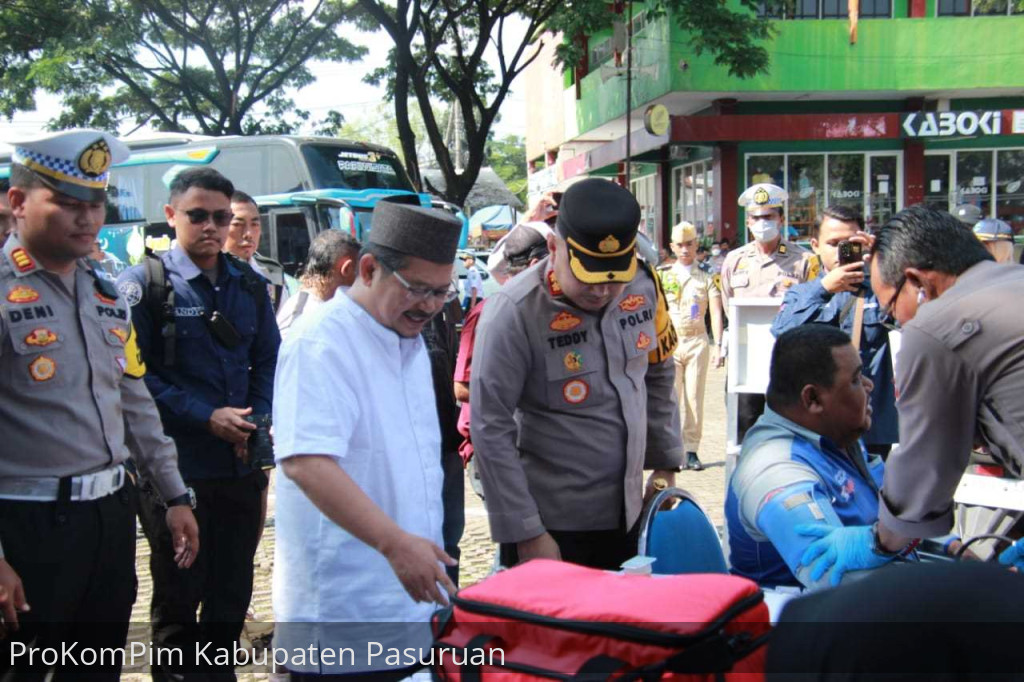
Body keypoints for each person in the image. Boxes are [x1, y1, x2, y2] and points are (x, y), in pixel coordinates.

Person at [0, 129, 198, 680]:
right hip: (26, 524)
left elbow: (134, 402)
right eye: (67, 202)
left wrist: (174, 494)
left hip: (109, 518)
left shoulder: (106, 291)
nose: (87, 218)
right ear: (18, 202)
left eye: (95, 203)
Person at [272, 200, 462, 679]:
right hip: (343, 609)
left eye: (441, 292)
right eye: (417, 289)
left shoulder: (409, 338)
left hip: (411, 604)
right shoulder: (321, 340)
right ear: (369, 269)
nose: (429, 305)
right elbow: (306, 462)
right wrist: (394, 543)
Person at [796, 205, 1024, 583]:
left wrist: (879, 542)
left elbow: (925, 465)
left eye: (890, 309)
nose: (897, 322)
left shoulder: (937, 325)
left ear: (918, 283)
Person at [117, 168, 280, 680]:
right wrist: (205, 416)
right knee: (179, 598)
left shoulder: (249, 284)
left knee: (231, 595)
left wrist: (254, 421)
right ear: (171, 215)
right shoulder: (143, 286)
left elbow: (268, 360)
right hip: (175, 472)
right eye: (197, 215)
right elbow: (132, 380)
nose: (211, 226)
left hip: (238, 466)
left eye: (220, 217)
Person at [470, 177, 683, 570]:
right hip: (553, 525)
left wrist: (666, 465)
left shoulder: (643, 287)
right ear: (554, 247)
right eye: (587, 275)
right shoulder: (514, 311)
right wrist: (527, 532)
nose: (602, 291)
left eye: (614, 277)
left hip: (631, 513)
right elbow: (490, 426)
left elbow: (657, 373)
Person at [726, 324, 885, 589]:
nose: (869, 385)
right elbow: (834, 580)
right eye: (856, 379)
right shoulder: (775, 468)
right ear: (813, 399)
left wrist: (942, 546)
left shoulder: (838, 438)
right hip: (809, 612)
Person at [771, 205, 897, 459]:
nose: (842, 251)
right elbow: (782, 331)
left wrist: (884, 265)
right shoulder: (802, 294)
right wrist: (824, 289)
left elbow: (915, 322)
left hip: (870, 423)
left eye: (850, 243)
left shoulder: (881, 290)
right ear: (815, 246)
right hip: (817, 423)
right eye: (833, 243)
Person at [454, 222, 551, 466]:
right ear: (535, 265)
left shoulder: (547, 313)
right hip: (495, 451)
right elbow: (462, 388)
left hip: (536, 450)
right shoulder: (487, 314)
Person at [720, 183, 809, 441]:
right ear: (748, 222)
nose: (763, 223)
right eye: (756, 217)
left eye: (769, 216)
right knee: (744, 428)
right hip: (744, 361)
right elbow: (728, 303)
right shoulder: (735, 260)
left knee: (786, 431)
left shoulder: (803, 260)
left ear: (781, 219)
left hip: (786, 360)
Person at [661, 221, 724, 472]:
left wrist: (719, 345)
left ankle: (691, 449)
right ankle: (672, 449)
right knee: (670, 398)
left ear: (696, 245)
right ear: (672, 247)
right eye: (680, 245)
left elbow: (716, 312)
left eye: (689, 244)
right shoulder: (663, 275)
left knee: (694, 398)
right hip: (671, 342)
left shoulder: (708, 275)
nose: (685, 249)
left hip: (698, 340)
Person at [276, 230, 360, 339]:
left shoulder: (311, 307)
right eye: (358, 272)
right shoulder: (306, 316)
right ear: (346, 269)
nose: (359, 281)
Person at [225, 190, 297, 310]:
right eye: (237, 224)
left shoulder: (273, 274)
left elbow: (284, 318)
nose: (248, 234)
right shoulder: (207, 274)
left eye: (254, 224)